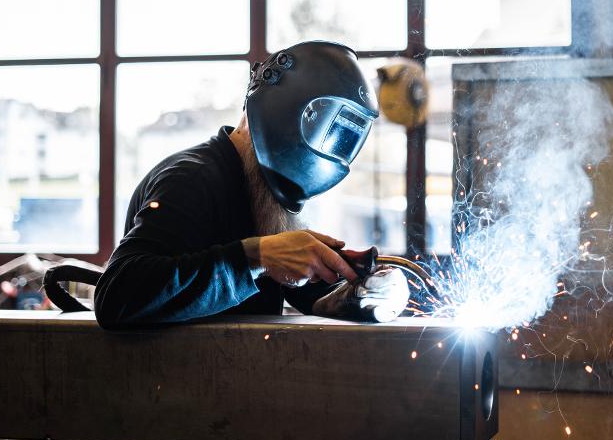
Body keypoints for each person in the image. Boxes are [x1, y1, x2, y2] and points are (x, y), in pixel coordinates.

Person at [94, 40, 409, 328]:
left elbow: (306, 294)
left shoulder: (262, 187)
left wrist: (359, 292)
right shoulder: (191, 180)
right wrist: (258, 256)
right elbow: (115, 296)